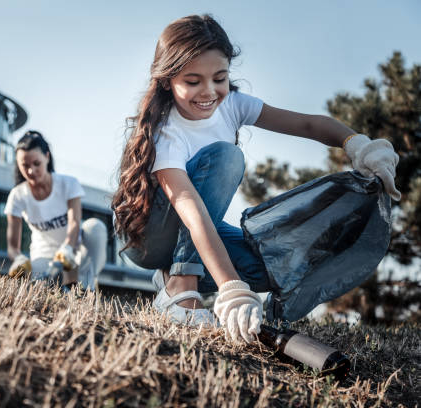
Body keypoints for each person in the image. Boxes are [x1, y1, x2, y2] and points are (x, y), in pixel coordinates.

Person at [111, 15, 400, 343]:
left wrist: (358, 145)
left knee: (271, 267)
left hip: (192, 229)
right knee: (226, 158)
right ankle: (182, 287)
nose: (208, 92)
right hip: (145, 233)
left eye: (219, 78)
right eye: (193, 81)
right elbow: (190, 208)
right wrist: (231, 286)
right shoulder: (167, 130)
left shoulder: (233, 105)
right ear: (167, 81)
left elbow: (307, 125)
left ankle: (173, 275)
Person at [4, 130, 108, 290]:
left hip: (74, 249)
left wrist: (66, 248)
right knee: (39, 288)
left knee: (96, 227)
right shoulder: (17, 196)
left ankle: (86, 283)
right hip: (43, 255)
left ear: (47, 157)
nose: (31, 171)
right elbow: (12, 247)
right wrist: (18, 259)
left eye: (36, 164)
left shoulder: (68, 184)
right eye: (25, 165)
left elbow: (74, 223)